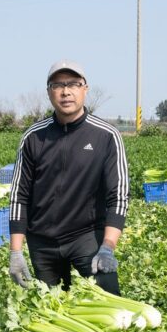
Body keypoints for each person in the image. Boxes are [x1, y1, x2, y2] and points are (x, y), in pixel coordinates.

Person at [8, 60, 129, 295]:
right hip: (42, 242)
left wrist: (108, 246)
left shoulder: (106, 135)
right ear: (49, 92)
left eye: (73, 84)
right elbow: (18, 196)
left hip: (87, 237)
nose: (65, 91)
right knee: (51, 308)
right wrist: (15, 251)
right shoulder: (33, 137)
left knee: (107, 300)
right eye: (58, 85)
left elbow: (119, 196)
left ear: (85, 89)